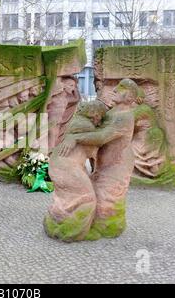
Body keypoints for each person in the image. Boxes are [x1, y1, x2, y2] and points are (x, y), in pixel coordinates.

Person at [48, 79, 138, 242]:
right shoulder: (111, 112)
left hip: (117, 164)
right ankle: (72, 222)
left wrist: (75, 138)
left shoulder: (124, 116)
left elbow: (102, 137)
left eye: (121, 88)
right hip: (103, 163)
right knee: (92, 194)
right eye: (117, 87)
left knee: (108, 198)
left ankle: (108, 226)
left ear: (130, 97)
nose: (115, 90)